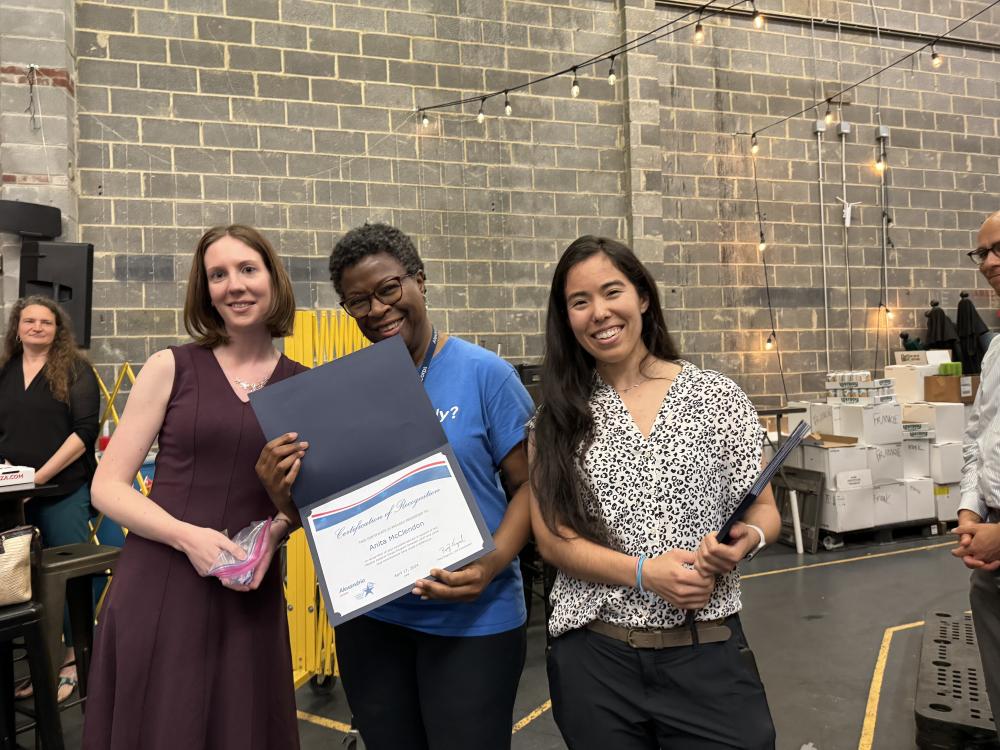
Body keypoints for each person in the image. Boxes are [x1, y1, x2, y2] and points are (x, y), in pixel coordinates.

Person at [259, 222, 534, 750]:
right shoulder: (342, 390)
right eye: (357, 301)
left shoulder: (486, 375)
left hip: (474, 620)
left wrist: (491, 565)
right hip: (374, 622)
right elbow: (325, 504)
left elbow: (529, 489)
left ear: (419, 281)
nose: (378, 309)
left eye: (389, 289)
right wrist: (280, 490)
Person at [528, 236, 779, 749]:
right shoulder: (555, 420)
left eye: (611, 292)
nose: (599, 313)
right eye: (580, 302)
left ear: (642, 296)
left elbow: (766, 511)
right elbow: (554, 543)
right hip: (596, 661)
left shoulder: (716, 397)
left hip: (704, 648)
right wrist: (645, 574)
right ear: (567, 318)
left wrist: (744, 540)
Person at [81, 225, 303, 750]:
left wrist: (272, 536)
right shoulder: (171, 367)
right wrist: (189, 538)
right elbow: (107, 488)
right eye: (217, 275)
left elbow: (307, 501)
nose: (234, 285)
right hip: (161, 581)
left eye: (248, 269)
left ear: (273, 278)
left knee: (240, 728)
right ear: (205, 291)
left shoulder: (304, 383)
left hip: (247, 587)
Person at [0, 295, 99, 702]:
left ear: (58, 329)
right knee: (27, 586)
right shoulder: (5, 371)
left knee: (70, 582)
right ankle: (44, 664)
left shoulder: (76, 369)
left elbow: (84, 431)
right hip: (14, 499)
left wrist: (39, 477)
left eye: (46, 322)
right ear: (17, 327)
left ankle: (75, 661)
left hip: (63, 491)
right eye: (29, 321)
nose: (37, 327)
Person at [952, 209, 1000, 733]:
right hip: (989, 569)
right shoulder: (995, 353)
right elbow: (977, 445)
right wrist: (970, 511)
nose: (989, 262)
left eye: (999, 248)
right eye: (982, 252)